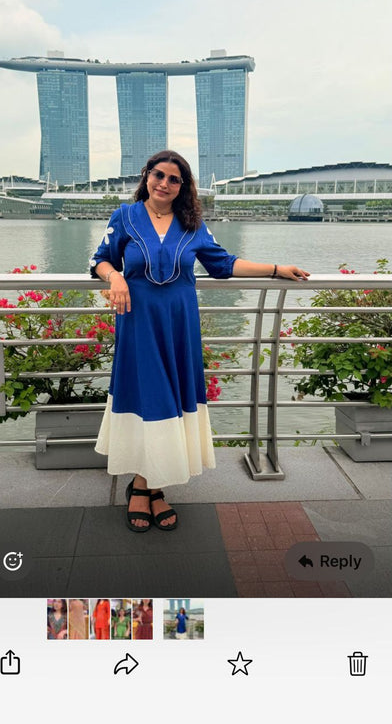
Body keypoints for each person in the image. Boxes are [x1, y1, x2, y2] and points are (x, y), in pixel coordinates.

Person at [89, 150, 309, 532]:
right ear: (147, 176)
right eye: (159, 175)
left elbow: (223, 264)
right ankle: (147, 485)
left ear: (183, 187)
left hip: (178, 326)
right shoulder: (124, 216)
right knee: (148, 398)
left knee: (170, 399)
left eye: (175, 179)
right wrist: (116, 277)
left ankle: (147, 485)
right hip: (139, 323)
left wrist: (276, 269)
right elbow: (100, 260)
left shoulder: (192, 225)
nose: (165, 183)